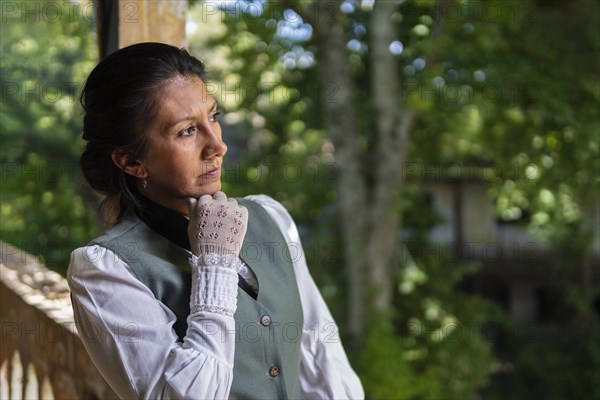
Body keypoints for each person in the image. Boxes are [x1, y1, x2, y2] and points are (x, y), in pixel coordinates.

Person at [67, 42, 364, 399]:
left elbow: (320, 350)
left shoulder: (270, 218)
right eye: (186, 131)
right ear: (131, 162)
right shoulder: (105, 270)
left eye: (213, 117)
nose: (217, 146)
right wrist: (215, 264)